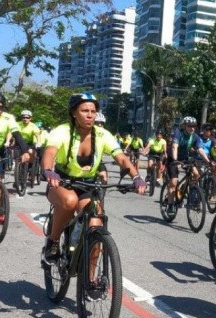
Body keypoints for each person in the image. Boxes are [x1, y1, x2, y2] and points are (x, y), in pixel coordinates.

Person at [40, 93, 146, 269]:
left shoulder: (103, 135)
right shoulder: (62, 131)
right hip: (61, 183)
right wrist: (49, 171)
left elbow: (121, 158)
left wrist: (136, 177)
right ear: (74, 113)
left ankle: (91, 283)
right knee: (69, 201)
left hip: (88, 185)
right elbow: (49, 153)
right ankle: (52, 241)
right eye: (84, 111)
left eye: (93, 111)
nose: (90, 115)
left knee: (96, 229)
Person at [162, 116, 209, 210]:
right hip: (173, 159)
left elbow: (200, 150)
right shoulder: (178, 133)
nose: (192, 128)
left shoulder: (195, 136)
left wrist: (208, 161)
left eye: (194, 126)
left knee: (196, 175)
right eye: (189, 126)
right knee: (173, 183)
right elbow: (175, 147)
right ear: (184, 126)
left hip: (184, 158)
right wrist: (175, 161)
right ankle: (170, 205)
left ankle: (188, 192)